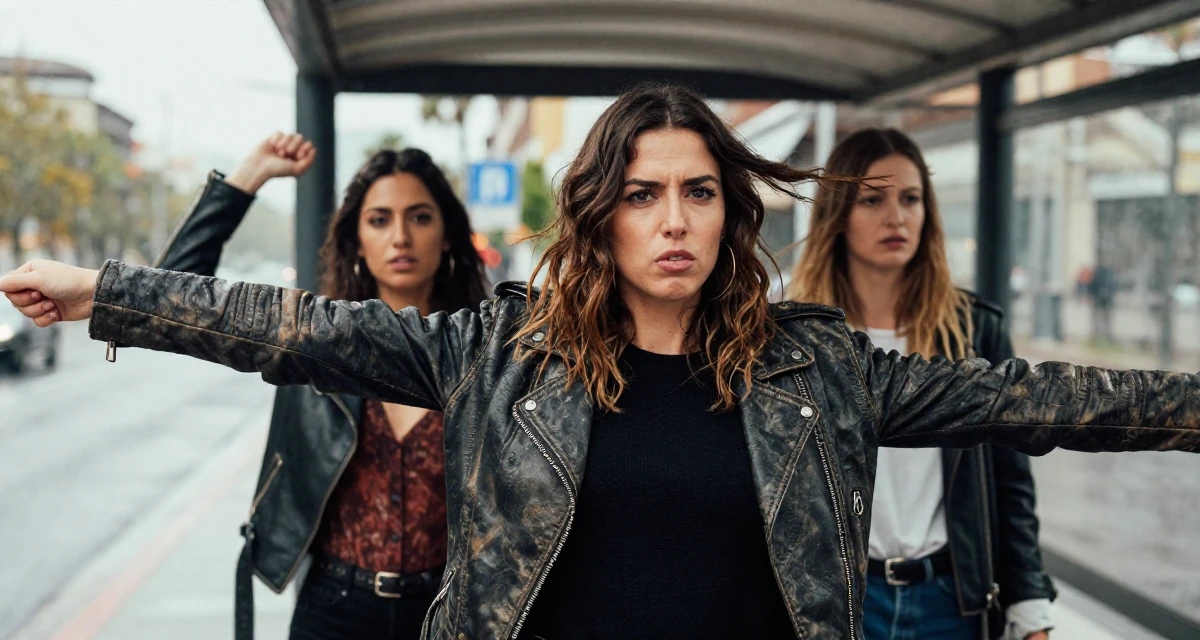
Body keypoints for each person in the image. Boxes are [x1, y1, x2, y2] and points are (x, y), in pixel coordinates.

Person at [4, 83, 1200, 640]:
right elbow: (293, 329)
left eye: (695, 193)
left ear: (732, 213)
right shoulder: (503, 351)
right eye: (641, 195)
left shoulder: (821, 366)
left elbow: (1040, 396)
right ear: (601, 217)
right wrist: (108, 289)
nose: (672, 219)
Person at [152, 133, 488, 640]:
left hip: (454, 613)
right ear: (356, 240)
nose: (400, 236)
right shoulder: (314, 345)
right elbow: (166, 302)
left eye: (420, 217)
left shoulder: (481, 353)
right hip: (334, 609)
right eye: (379, 219)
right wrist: (248, 177)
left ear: (446, 236)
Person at [789, 129, 1052, 640]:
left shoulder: (973, 329)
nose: (897, 217)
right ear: (837, 214)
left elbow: (1010, 478)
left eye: (911, 199)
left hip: (949, 600)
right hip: (841, 599)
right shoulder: (801, 334)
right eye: (873, 199)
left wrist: (1030, 604)